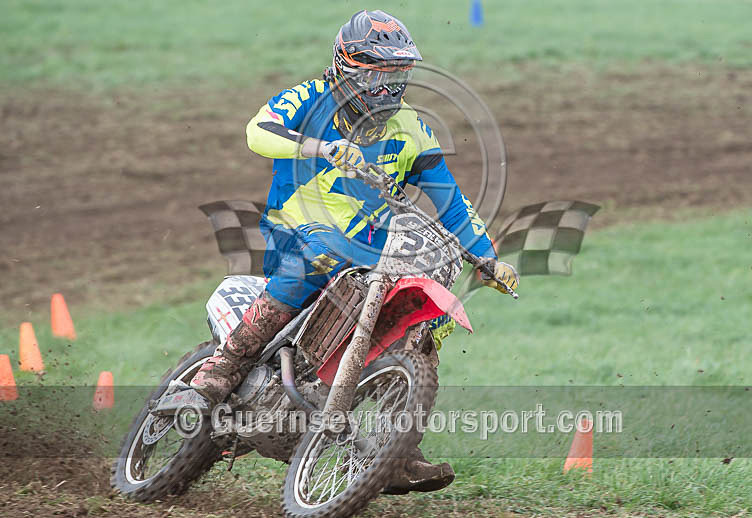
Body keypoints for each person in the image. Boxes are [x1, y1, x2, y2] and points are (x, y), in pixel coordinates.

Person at [191, 10, 519, 493]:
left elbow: (452, 201)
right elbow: (257, 132)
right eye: (378, 76)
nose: (389, 89)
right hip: (297, 230)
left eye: (398, 76)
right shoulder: (310, 98)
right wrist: (319, 148)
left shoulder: (413, 129)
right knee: (320, 253)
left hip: (369, 250)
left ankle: (398, 447)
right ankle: (222, 370)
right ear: (347, 66)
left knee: (423, 314)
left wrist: (487, 257)